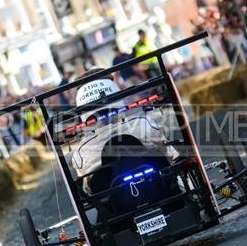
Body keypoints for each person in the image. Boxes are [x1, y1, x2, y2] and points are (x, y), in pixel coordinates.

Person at [68, 69, 177, 197]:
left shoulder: (81, 153)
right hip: (163, 194)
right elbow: (172, 159)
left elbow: (89, 192)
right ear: (117, 94)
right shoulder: (144, 124)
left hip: (117, 212)